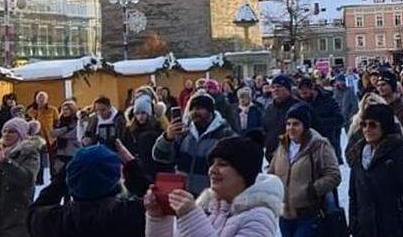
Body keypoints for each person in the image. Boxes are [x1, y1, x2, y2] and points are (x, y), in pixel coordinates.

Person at [144, 135, 283, 237]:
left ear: (244, 173)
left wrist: (190, 217)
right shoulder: (207, 207)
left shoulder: (260, 217)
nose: (212, 170)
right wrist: (158, 217)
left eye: (222, 164)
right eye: (212, 163)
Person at [29, 142, 150, 237]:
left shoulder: (54, 222)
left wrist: (69, 171)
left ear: (70, 179)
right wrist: (131, 164)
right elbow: (155, 197)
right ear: (116, 181)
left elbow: (34, 211)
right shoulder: (132, 215)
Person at [346, 103, 403, 236]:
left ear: (385, 126)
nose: (366, 129)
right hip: (366, 229)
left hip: (393, 229)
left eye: (372, 125)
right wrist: (355, 223)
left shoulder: (399, 154)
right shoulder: (358, 155)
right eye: (364, 125)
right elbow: (354, 195)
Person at [268, 103, 340, 237]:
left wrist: (312, 190)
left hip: (308, 214)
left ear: (305, 126)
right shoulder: (283, 145)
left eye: (296, 124)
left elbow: (334, 175)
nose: (291, 128)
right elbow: (272, 171)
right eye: (288, 124)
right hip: (285, 214)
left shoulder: (319, 145)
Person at [152, 92, 235, 195]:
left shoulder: (225, 135)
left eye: (200, 108)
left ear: (210, 111)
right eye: (192, 109)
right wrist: (167, 138)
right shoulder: (184, 133)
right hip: (184, 195)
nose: (195, 112)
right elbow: (160, 157)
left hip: (210, 197)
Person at [0, 117, 43, 237]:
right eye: (4, 131)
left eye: (11, 131)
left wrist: (5, 162)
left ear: (21, 134)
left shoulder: (29, 152)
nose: (6, 134)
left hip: (18, 212)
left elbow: (27, 179)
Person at [295, 77, 344, 152]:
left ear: (312, 89)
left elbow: (340, 120)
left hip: (327, 145)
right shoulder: (298, 103)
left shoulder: (327, 100)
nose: (303, 96)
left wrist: (318, 123)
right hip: (307, 148)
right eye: (300, 93)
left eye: (305, 93)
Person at [120, 94, 164, 177]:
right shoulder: (129, 130)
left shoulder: (156, 128)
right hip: (134, 169)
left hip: (152, 169)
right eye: (137, 113)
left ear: (148, 114)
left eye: (143, 113)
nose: (140, 116)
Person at [262, 75, 299, 162]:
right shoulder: (269, 109)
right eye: (273, 87)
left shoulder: (298, 107)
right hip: (272, 157)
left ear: (288, 89)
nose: (275, 89)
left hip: (294, 157)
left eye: (279, 86)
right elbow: (265, 130)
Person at [50, 100, 81, 177]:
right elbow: (52, 133)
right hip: (60, 151)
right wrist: (65, 129)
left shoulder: (76, 121)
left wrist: (60, 134)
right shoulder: (60, 121)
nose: (64, 111)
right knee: (59, 173)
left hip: (72, 151)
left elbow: (73, 134)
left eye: (67, 109)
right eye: (63, 109)